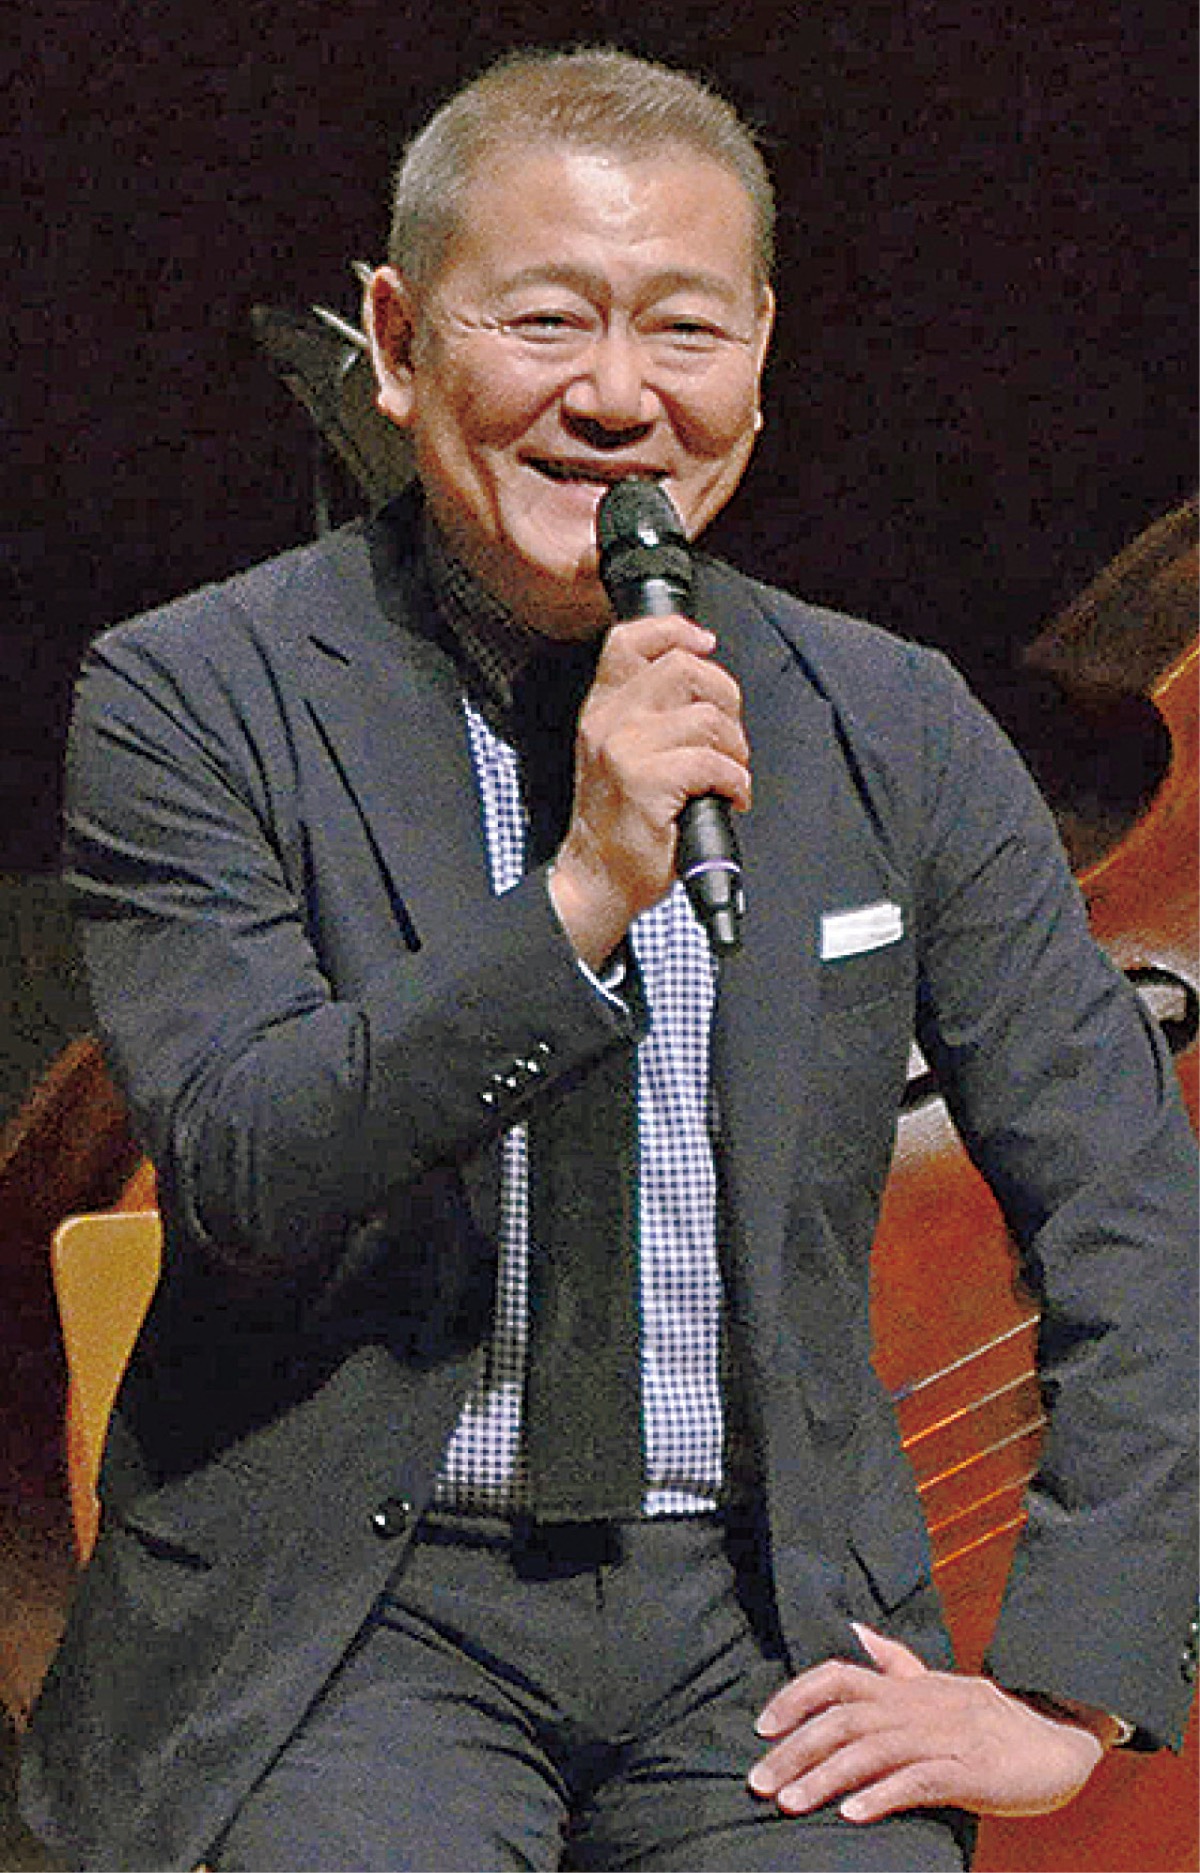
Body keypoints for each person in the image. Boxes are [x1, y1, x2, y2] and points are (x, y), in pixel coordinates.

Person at [21, 45, 1197, 1873]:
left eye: (686, 330)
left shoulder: (887, 716)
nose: (621, 397)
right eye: (549, 320)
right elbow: (246, 1164)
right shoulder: (197, 695)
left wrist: (1072, 1690)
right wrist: (580, 896)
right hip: (355, 1622)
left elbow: (1127, 1195)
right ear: (398, 339)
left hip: (764, 1621)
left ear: (762, 354)